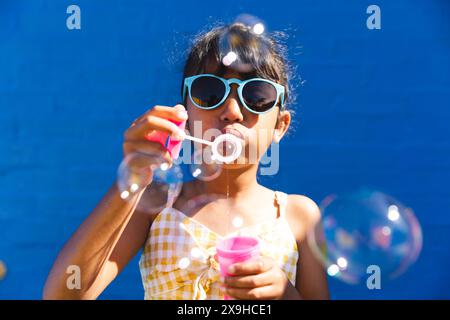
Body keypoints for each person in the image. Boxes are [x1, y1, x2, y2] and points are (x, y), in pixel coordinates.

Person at [43, 22, 329, 300]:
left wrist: (285, 294)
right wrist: (134, 176)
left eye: (256, 95)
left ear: (280, 125)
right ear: (187, 119)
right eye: (209, 93)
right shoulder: (157, 204)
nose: (231, 112)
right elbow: (63, 294)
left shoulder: (298, 216)